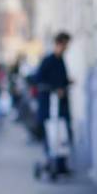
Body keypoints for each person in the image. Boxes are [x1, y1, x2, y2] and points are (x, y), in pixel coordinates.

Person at [35, 31, 73, 174]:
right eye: (66, 45)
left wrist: (67, 82)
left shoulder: (61, 60)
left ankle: (61, 167)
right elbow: (38, 79)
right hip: (49, 106)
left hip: (61, 106)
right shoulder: (48, 60)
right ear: (59, 44)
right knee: (51, 137)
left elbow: (60, 80)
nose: (67, 48)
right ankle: (51, 166)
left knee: (63, 135)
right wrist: (54, 89)